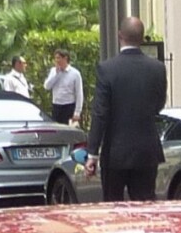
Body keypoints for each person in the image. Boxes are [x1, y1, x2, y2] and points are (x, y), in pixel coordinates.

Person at [89, 17, 166, 203]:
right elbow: (159, 104)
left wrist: (92, 153)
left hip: (115, 152)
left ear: (119, 36)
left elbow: (100, 113)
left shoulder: (107, 69)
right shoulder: (157, 68)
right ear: (141, 38)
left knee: (113, 206)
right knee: (146, 206)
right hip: (147, 151)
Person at [44, 47, 83, 127]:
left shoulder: (75, 73)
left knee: (68, 130)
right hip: (56, 106)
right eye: (55, 58)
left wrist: (77, 112)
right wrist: (56, 74)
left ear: (65, 58)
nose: (57, 61)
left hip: (69, 106)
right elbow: (47, 86)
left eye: (59, 58)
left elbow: (79, 93)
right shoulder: (53, 71)